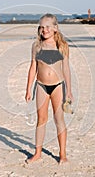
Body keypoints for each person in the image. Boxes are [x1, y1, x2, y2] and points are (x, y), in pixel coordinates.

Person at [25, 13, 73, 164]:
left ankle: (63, 154)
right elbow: (33, 68)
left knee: (59, 119)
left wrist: (69, 91)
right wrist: (28, 89)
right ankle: (38, 152)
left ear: (55, 28)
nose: (44, 30)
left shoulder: (62, 46)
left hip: (58, 86)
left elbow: (66, 69)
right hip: (41, 86)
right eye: (41, 27)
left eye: (47, 27)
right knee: (41, 119)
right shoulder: (37, 46)